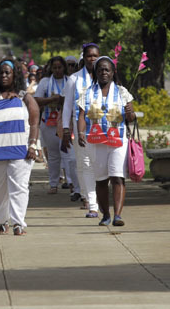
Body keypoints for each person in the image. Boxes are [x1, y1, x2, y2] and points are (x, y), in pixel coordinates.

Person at [0, 59, 41, 236]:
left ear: (15, 74)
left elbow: (34, 122)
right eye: (1, 73)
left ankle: (18, 223)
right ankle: (1, 221)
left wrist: (33, 145)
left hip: (20, 149)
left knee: (19, 187)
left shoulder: (25, 97)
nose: (4, 75)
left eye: (8, 72)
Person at [77, 56, 136, 227]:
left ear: (113, 72)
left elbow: (131, 118)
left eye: (107, 69)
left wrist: (130, 112)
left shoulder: (122, 92)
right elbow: (81, 115)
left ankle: (118, 215)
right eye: (100, 69)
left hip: (118, 140)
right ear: (96, 72)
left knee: (117, 177)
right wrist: (81, 132)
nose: (104, 72)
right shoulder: (87, 93)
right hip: (96, 141)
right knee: (101, 180)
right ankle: (105, 214)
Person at [61, 43, 101, 216]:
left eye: (95, 56)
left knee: (99, 164)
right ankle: (90, 201)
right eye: (89, 56)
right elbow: (67, 106)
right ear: (84, 58)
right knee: (84, 164)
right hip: (81, 128)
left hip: (103, 128)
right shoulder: (74, 79)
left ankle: (96, 196)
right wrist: (64, 129)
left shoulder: (106, 75)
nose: (92, 59)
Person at [34, 56, 80, 200]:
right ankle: (53, 183)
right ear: (50, 68)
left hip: (66, 123)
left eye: (60, 67)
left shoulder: (71, 81)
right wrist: (52, 100)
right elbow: (36, 100)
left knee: (69, 155)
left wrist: (62, 101)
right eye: (55, 68)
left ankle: (72, 183)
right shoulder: (45, 82)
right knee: (53, 155)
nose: (58, 70)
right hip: (48, 123)